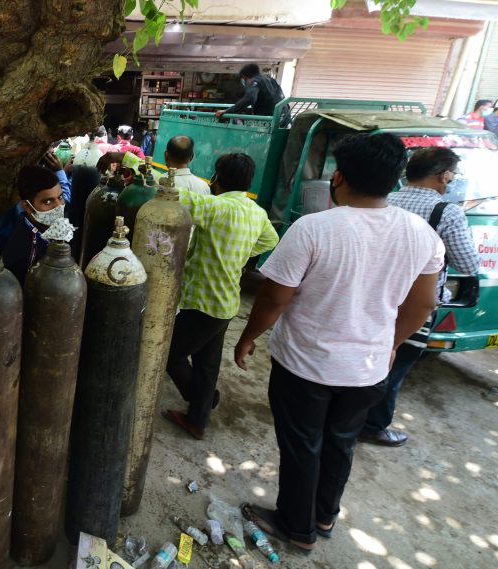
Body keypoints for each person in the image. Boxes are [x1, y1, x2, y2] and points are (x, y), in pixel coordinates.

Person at [233, 133, 443, 553]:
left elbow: (275, 297)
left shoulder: (313, 228)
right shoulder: (420, 234)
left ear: (339, 177)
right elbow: (423, 305)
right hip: (367, 370)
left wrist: (247, 337)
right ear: (394, 179)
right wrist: (392, 344)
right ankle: (325, 515)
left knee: (302, 446)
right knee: (341, 442)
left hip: (305, 367)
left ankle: (297, 527)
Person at [359, 147, 478, 447]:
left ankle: (345, 415)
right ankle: (371, 425)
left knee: (363, 356)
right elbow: (467, 264)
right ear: (444, 176)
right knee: (393, 366)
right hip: (414, 305)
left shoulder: (382, 198)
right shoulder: (446, 212)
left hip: (372, 294)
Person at [161, 153, 278, 439]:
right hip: (226, 304)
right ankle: (197, 420)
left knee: (169, 354)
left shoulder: (214, 206)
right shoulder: (257, 213)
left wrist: (126, 159)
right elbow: (270, 240)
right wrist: (239, 252)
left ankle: (201, 398)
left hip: (203, 304)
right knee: (207, 363)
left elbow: (169, 194)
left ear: (217, 178)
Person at [0, 163, 69, 283]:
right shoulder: (25, 252)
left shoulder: (44, 227)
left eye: (60, 197)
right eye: (47, 202)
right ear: (27, 206)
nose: (59, 206)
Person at [214, 63, 284, 120]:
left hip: (270, 119)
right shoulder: (270, 79)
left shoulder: (254, 81)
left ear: (246, 77)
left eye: (243, 79)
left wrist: (228, 111)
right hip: (284, 117)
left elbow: (250, 98)